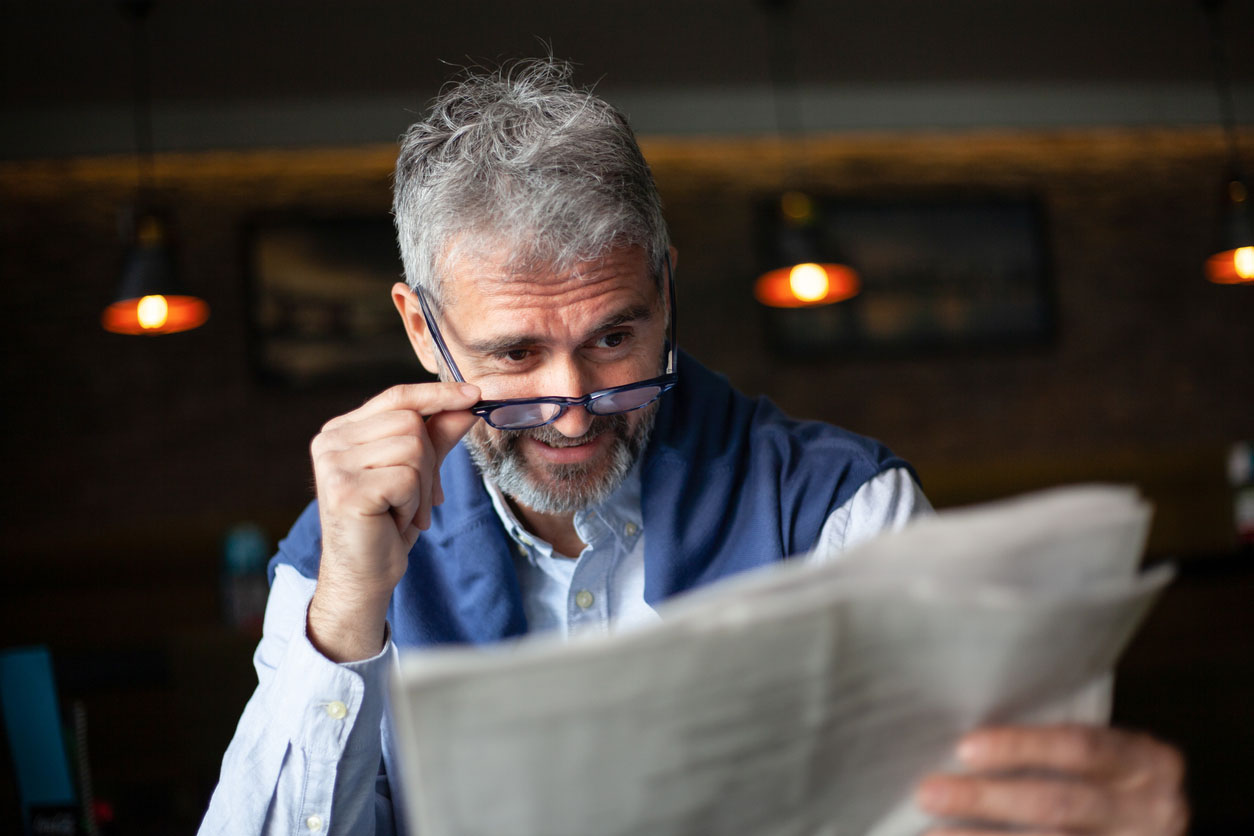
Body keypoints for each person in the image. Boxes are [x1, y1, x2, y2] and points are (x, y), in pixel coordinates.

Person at [200, 59, 1186, 835]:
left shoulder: (847, 508)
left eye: (614, 337)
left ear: (666, 287)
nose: (573, 408)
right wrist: (347, 614)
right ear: (422, 330)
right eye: (514, 352)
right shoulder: (334, 558)